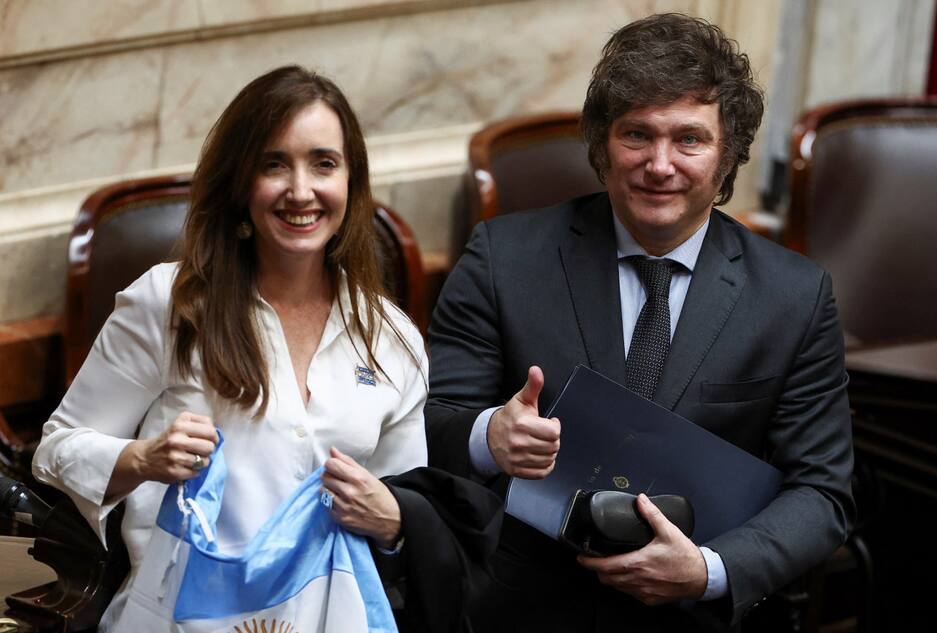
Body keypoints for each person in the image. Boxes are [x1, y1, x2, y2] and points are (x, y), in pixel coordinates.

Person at [425, 13, 854, 632]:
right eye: (637, 135)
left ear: (728, 153)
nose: (659, 164)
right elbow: (429, 424)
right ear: (602, 144)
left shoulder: (794, 295)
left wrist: (710, 571)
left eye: (689, 140)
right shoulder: (503, 259)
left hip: (696, 619)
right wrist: (489, 435)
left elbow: (822, 492)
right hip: (522, 606)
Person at [31, 66, 430, 629]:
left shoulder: (392, 338)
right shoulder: (168, 303)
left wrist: (393, 521)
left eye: (323, 163)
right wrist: (143, 460)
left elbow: (404, 512)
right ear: (240, 183)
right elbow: (55, 450)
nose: (301, 190)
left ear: (351, 182)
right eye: (274, 164)